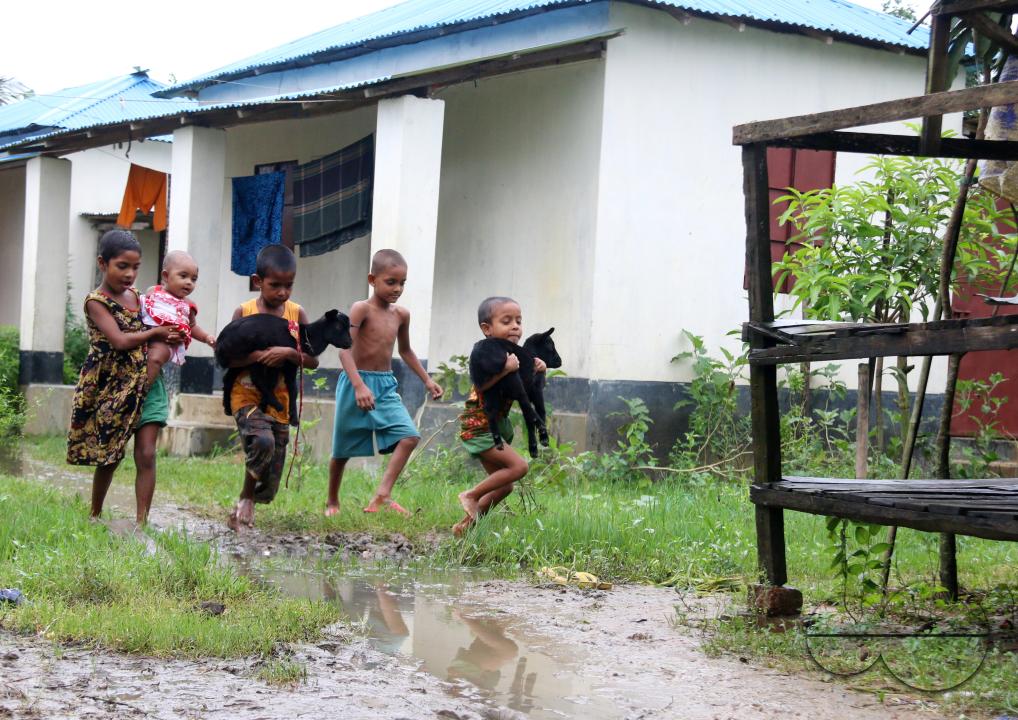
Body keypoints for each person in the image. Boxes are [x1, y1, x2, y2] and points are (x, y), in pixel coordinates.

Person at [67, 229, 182, 525]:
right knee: (111, 455)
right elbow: (118, 340)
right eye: (122, 266)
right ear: (102, 263)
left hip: (146, 381)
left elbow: (168, 318)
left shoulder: (138, 297)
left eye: (135, 267)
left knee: (146, 453)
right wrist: (156, 332)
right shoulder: (96, 301)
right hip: (111, 387)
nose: (130, 274)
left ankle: (141, 524)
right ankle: (95, 515)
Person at [325, 249, 443, 517]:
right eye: (391, 282)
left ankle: (383, 494)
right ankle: (332, 500)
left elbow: (406, 351)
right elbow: (343, 348)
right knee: (341, 449)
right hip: (355, 382)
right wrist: (358, 385)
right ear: (372, 279)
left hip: (385, 385)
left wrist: (427, 380)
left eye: (402, 283)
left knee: (410, 436)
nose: (398, 289)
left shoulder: (401, 315)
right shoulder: (360, 309)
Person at [226, 244, 319, 531]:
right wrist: (256, 357)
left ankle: (251, 499)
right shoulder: (244, 312)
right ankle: (244, 499)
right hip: (246, 393)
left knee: (272, 475)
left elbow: (312, 359)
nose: (282, 292)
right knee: (262, 441)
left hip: (280, 399)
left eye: (288, 286)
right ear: (257, 282)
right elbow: (228, 356)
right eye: (274, 285)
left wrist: (289, 354)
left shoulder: (296, 313)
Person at [453, 296, 545, 536]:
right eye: (506, 321)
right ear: (487, 329)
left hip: (492, 426)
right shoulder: (486, 354)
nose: (515, 326)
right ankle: (470, 495)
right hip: (480, 426)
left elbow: (524, 391)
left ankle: (465, 529)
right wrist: (506, 369)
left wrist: (537, 371)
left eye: (518, 320)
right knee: (519, 467)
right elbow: (482, 386)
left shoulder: (514, 355)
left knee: (505, 487)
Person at [139, 250, 215, 388]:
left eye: (193, 279)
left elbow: (192, 327)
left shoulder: (188, 305)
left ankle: (141, 391)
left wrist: (206, 337)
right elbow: (142, 309)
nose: (189, 283)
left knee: (155, 358)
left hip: (164, 342)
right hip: (143, 335)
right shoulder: (153, 291)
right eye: (183, 276)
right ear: (166, 276)